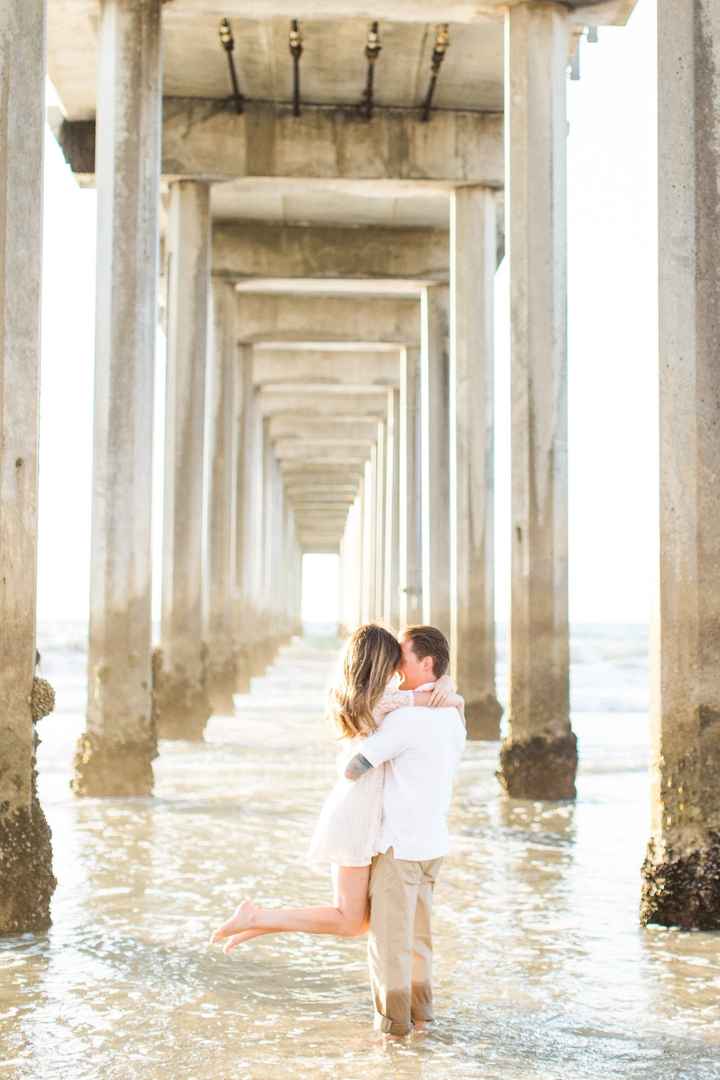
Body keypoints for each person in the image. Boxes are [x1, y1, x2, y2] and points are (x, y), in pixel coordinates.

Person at [209, 624, 463, 974]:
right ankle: (257, 917)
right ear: (379, 665)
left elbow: (422, 699)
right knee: (349, 920)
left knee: (354, 921)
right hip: (356, 816)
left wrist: (444, 685)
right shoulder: (379, 703)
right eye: (393, 663)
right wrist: (450, 691)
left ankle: (257, 921)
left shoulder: (356, 698)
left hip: (357, 813)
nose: (398, 671)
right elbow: (429, 701)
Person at [344, 624, 466, 1037]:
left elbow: (354, 767)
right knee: (419, 941)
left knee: (388, 945)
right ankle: (422, 1019)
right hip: (434, 844)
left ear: (426, 663)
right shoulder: (453, 717)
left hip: (400, 846)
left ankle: (394, 1029)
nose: (396, 668)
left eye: (404, 659)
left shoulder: (408, 720)